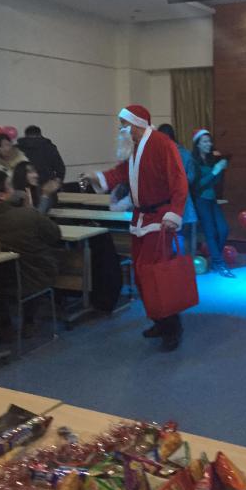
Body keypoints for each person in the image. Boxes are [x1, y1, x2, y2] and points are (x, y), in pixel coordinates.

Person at [83, 105, 190, 351]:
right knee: (142, 275)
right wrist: (98, 177)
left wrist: (175, 212)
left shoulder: (162, 144)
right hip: (141, 219)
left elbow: (179, 179)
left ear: (137, 123)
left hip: (160, 220)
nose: (121, 129)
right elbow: (121, 173)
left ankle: (172, 326)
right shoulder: (134, 147)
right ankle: (159, 320)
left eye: (124, 124)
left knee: (156, 275)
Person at [0, 170, 61, 301]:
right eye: (10, 186)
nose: (14, 190)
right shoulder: (27, 215)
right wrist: (31, 210)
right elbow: (55, 235)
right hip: (38, 276)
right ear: (1, 195)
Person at [191, 129, 233, 277]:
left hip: (212, 199)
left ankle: (216, 260)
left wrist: (220, 170)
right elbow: (197, 185)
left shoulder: (210, 159)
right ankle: (219, 263)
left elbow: (214, 182)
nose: (209, 144)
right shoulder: (193, 162)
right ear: (197, 144)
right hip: (201, 200)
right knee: (210, 232)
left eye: (209, 141)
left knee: (223, 229)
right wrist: (215, 171)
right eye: (205, 141)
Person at [158, 124, 198, 254]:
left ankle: (174, 263)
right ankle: (185, 263)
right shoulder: (185, 154)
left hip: (168, 202)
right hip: (182, 201)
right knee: (185, 239)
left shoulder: (160, 155)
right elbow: (191, 178)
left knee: (169, 240)